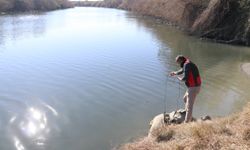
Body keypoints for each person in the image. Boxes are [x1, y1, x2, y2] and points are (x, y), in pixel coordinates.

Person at [170, 55, 201, 123]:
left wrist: (181, 79)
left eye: (177, 62)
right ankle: (188, 115)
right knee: (185, 99)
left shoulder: (187, 64)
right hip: (192, 87)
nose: (178, 64)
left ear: (181, 60)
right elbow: (182, 70)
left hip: (194, 87)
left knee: (189, 107)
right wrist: (175, 73)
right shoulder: (186, 63)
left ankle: (186, 122)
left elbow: (185, 78)